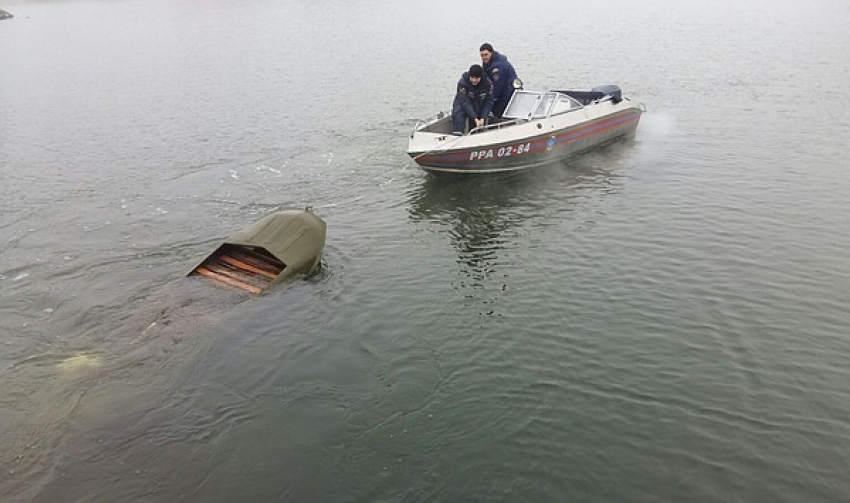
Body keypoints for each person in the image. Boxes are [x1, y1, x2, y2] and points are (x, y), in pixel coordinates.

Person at [451, 64, 494, 135]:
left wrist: (483, 118)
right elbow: (465, 102)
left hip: (479, 102)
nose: (474, 80)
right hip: (462, 103)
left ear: (481, 77)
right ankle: (457, 134)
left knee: (488, 116)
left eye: (476, 78)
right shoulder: (462, 84)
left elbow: (489, 102)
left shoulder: (488, 84)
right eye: (472, 77)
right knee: (459, 115)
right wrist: (475, 118)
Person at [479, 43, 519, 118]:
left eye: (486, 54)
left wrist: (487, 102)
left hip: (507, 94)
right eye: (482, 55)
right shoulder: (488, 63)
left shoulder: (498, 68)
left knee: (495, 113)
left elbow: (497, 88)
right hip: (503, 91)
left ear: (492, 53)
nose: (484, 57)